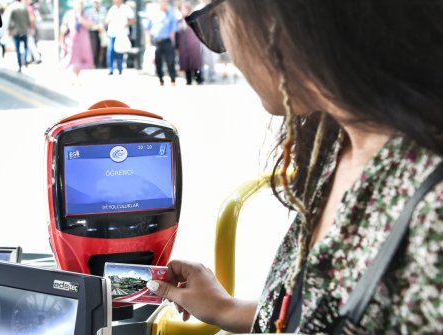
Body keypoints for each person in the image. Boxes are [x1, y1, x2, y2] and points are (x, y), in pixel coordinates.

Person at [145, 0, 443, 333]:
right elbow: (323, 308)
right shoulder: (336, 142)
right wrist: (226, 309)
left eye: (216, 19)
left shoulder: (432, 209)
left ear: (276, 17)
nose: (225, 49)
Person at [60, 0, 95, 79]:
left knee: (81, 61)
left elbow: (88, 26)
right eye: (78, 4)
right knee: (72, 60)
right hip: (72, 42)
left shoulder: (86, 14)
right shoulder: (69, 14)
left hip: (83, 41)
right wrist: (62, 40)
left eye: (81, 4)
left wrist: (79, 17)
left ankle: (77, 77)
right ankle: (74, 77)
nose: (80, 6)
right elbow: (63, 27)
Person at [146, 0, 177, 86]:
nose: (163, 3)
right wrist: (148, 42)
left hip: (167, 41)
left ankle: (172, 79)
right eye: (162, 1)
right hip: (156, 42)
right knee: (158, 62)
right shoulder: (153, 14)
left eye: (165, 2)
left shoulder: (170, 15)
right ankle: (161, 79)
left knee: (170, 62)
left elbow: (173, 30)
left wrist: (172, 43)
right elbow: (148, 29)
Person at [104, 0, 135, 75]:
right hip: (112, 33)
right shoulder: (112, 9)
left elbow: (133, 20)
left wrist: (125, 25)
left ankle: (120, 68)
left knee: (120, 51)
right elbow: (106, 21)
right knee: (110, 50)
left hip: (122, 34)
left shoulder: (126, 9)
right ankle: (110, 69)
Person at [175, 1, 202, 85]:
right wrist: (176, 45)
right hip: (183, 44)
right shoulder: (179, 21)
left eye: (186, 9)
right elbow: (176, 34)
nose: (184, 10)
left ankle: (198, 78)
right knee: (185, 62)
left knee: (195, 62)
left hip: (193, 44)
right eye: (182, 9)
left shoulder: (194, 19)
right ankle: (188, 79)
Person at [6, 0, 31, 72]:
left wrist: (9, 29)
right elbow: (28, 21)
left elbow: (10, 21)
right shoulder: (24, 9)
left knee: (18, 49)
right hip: (24, 31)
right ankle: (25, 60)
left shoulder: (13, 8)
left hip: (16, 32)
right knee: (26, 47)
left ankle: (20, 64)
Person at [87, 0, 107, 68]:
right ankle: (94, 64)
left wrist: (101, 26)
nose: (96, 4)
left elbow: (105, 20)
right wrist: (97, 26)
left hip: (102, 31)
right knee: (95, 48)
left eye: (97, 3)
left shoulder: (103, 10)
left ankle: (103, 64)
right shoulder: (90, 11)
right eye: (95, 2)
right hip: (93, 31)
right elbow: (89, 22)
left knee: (104, 47)